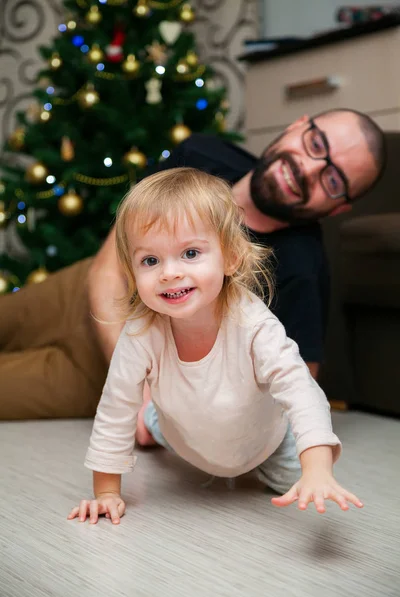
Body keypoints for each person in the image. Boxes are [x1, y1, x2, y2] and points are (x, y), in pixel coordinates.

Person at [0, 108, 386, 420]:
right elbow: (108, 266)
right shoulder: (200, 156)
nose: (309, 168)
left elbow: (300, 391)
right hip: (83, 289)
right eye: (315, 143)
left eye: (333, 181)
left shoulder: (300, 266)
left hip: (106, 374)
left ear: (340, 207)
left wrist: (150, 403)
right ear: (298, 125)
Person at [67, 167, 363, 525]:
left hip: (266, 443)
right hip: (183, 434)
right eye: (150, 260)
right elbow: (115, 408)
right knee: (150, 423)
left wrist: (316, 470)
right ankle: (153, 419)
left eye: (190, 253)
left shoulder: (254, 325)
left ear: (231, 256)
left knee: (307, 480)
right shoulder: (140, 332)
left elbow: (302, 391)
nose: (169, 273)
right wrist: (107, 493)